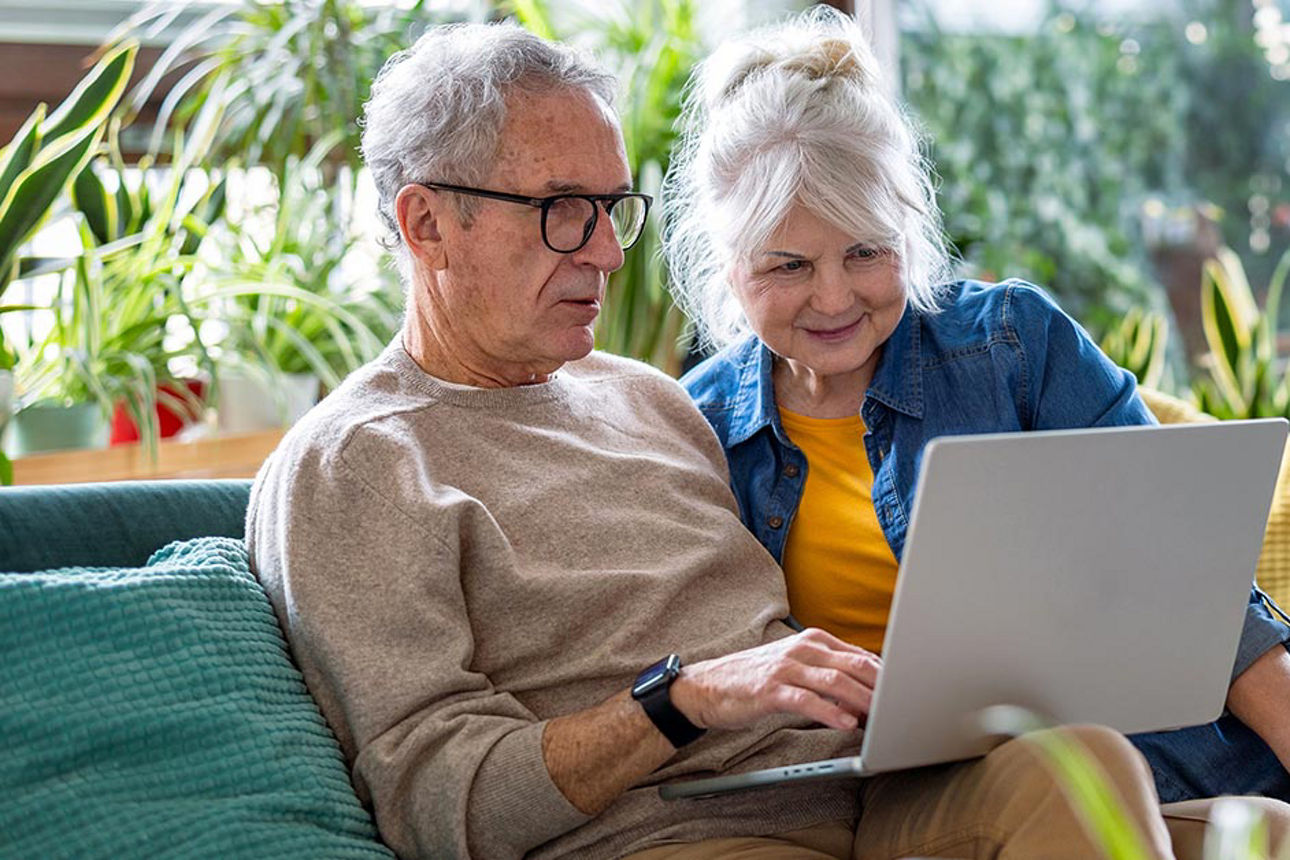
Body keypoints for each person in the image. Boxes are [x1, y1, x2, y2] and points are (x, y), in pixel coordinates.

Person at [248, 19, 1264, 860]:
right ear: (426, 224)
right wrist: (684, 698)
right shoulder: (356, 464)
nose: (606, 252)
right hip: (675, 838)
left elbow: (1201, 591)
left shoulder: (648, 404)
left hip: (860, 799)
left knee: (1087, 769)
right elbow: (437, 803)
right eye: (563, 212)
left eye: (612, 209)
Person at [665, 3, 1290, 809]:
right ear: (727, 263)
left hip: (1145, 765)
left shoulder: (1012, 344)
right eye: (788, 265)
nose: (834, 296)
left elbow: (1201, 588)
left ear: (910, 231)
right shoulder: (697, 430)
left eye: (866, 250)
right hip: (902, 799)